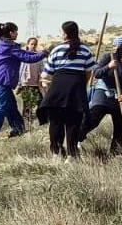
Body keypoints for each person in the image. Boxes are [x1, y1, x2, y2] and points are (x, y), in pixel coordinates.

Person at [38, 21, 96, 162]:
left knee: (56, 122)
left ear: (65, 34)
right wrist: (82, 85)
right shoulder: (86, 50)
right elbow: (89, 72)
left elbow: (46, 73)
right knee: (73, 123)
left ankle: (56, 154)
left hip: (58, 89)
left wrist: (46, 81)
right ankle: (72, 155)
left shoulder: (57, 50)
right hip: (77, 90)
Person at [0, 22, 48, 141]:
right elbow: (27, 57)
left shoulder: (4, 45)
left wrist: (40, 53)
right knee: (2, 106)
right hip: (3, 80)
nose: (17, 33)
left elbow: (25, 53)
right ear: (10, 33)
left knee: (11, 105)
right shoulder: (10, 48)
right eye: (16, 31)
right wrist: (43, 54)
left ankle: (19, 129)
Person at [80, 38, 122, 157]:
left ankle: (116, 154)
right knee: (94, 116)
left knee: (120, 125)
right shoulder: (108, 57)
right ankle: (76, 139)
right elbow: (96, 73)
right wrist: (109, 66)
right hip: (103, 92)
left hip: (120, 96)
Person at [17, 36, 45, 122]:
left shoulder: (38, 56)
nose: (33, 46)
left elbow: (42, 69)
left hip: (36, 83)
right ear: (28, 45)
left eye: (35, 44)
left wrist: (42, 80)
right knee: (27, 104)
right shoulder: (23, 55)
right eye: (32, 44)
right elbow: (20, 70)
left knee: (40, 101)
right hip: (25, 83)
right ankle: (27, 121)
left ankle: (42, 120)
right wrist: (19, 83)